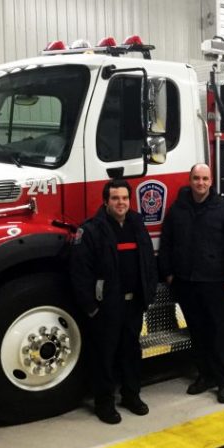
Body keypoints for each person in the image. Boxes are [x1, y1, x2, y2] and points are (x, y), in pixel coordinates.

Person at [70, 179, 158, 424]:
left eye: (124, 198)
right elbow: (80, 272)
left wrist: (148, 294)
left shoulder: (137, 224)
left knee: (131, 352)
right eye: (115, 198)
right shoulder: (91, 230)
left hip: (133, 304)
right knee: (104, 356)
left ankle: (131, 396)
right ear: (106, 201)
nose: (121, 203)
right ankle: (104, 403)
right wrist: (91, 307)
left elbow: (148, 260)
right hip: (107, 306)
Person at [158, 163, 224, 404]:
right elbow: (167, 242)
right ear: (190, 180)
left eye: (205, 179)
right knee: (197, 333)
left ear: (211, 181)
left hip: (215, 283)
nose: (201, 183)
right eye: (196, 178)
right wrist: (169, 273)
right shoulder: (178, 209)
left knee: (218, 333)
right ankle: (204, 376)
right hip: (186, 282)